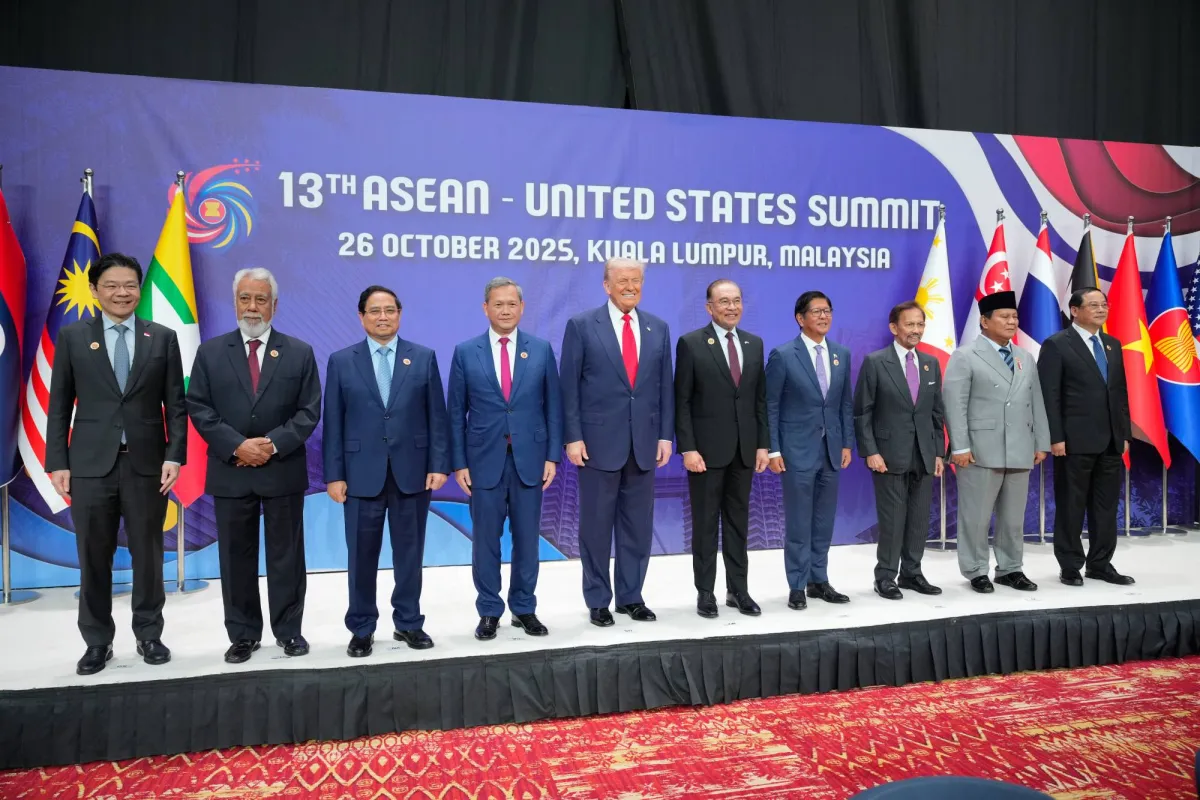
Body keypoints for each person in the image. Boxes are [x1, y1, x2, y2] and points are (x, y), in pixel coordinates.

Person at [45, 253, 187, 675]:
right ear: (94, 290)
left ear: (139, 289)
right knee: (93, 556)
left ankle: (149, 634)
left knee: (149, 555)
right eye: (111, 285)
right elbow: (58, 406)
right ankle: (97, 642)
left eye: (129, 285)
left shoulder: (161, 337)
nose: (121, 293)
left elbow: (176, 405)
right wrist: (58, 462)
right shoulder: (73, 337)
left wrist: (174, 454)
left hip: (147, 465)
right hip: (90, 466)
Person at [187, 267, 321, 663]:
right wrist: (237, 446)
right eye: (245, 298)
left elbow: (309, 411)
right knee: (235, 558)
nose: (252, 306)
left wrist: (272, 445)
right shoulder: (211, 352)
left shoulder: (299, 352)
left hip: (282, 469)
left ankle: (289, 631)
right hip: (231, 470)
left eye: (261, 299)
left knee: (287, 557)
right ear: (235, 303)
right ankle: (243, 635)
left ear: (274, 305)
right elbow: (198, 406)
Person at [324, 285, 450, 657]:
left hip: (412, 473)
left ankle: (408, 622)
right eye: (375, 311)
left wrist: (439, 464)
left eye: (390, 310)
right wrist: (334, 474)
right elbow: (333, 422)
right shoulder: (341, 361)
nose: (383, 317)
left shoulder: (422, 358)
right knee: (361, 556)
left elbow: (437, 416)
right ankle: (362, 627)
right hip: (359, 475)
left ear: (399, 314)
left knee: (409, 554)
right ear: (361, 316)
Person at [560, 258, 674, 626]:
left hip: (643, 443)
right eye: (622, 280)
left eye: (636, 280)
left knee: (637, 527)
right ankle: (598, 600)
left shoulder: (658, 328)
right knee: (595, 527)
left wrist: (665, 435)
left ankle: (631, 597)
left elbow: (664, 387)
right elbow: (569, 388)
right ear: (606, 286)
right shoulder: (582, 325)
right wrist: (573, 437)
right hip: (596, 444)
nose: (630, 286)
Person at [448, 277, 562, 640]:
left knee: (527, 540)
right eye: (498, 304)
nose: (506, 310)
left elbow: (554, 407)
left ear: (522, 307)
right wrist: (459, 463)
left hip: (530, 460)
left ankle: (524, 608)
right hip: (483, 462)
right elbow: (455, 413)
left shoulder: (540, 350)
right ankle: (489, 611)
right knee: (486, 541)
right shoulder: (466, 352)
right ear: (486, 308)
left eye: (512, 304)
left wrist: (552, 457)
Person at [943, 291, 1050, 593]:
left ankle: (1010, 569)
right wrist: (960, 446)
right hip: (979, 450)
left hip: (1019, 446)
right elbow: (954, 404)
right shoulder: (965, 356)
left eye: (1014, 316)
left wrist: (1041, 441)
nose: (1012, 321)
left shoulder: (1025, 357)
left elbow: (1036, 401)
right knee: (976, 517)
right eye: (1004, 316)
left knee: (1013, 518)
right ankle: (976, 570)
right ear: (985, 321)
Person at [674, 279, 769, 618]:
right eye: (724, 301)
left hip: (744, 452)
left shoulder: (754, 344)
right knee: (704, 525)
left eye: (737, 300)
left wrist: (763, 445)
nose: (732, 307)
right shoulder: (691, 343)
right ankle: (705, 593)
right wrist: (688, 448)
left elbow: (760, 401)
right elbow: (682, 401)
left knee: (738, 524)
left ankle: (738, 591)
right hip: (705, 454)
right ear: (709, 307)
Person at [1036, 288, 1134, 587]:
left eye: (1104, 304)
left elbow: (1119, 393)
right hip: (1073, 441)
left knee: (1106, 507)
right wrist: (1055, 437)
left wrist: (1124, 433)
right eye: (1093, 305)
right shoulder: (1056, 344)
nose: (1101, 309)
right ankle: (1070, 565)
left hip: (1111, 441)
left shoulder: (1112, 344)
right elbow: (1049, 395)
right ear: (1075, 310)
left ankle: (1100, 564)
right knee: (1071, 505)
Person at [766, 290, 854, 610]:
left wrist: (846, 442)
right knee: (799, 522)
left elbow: (844, 403)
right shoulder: (783, 355)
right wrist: (773, 450)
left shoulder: (841, 354)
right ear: (800, 318)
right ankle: (797, 584)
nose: (823, 316)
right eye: (816, 311)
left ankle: (819, 580)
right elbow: (770, 405)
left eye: (827, 310)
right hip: (796, 451)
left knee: (823, 521)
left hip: (831, 450)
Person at [853, 301, 946, 600]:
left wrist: (939, 452)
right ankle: (885, 577)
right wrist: (870, 451)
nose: (916, 330)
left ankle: (912, 573)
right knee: (893, 519)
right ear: (894, 327)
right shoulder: (876, 362)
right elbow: (862, 413)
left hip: (924, 454)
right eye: (910, 324)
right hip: (888, 455)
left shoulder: (930, 363)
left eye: (920, 324)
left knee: (919, 519)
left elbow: (936, 413)